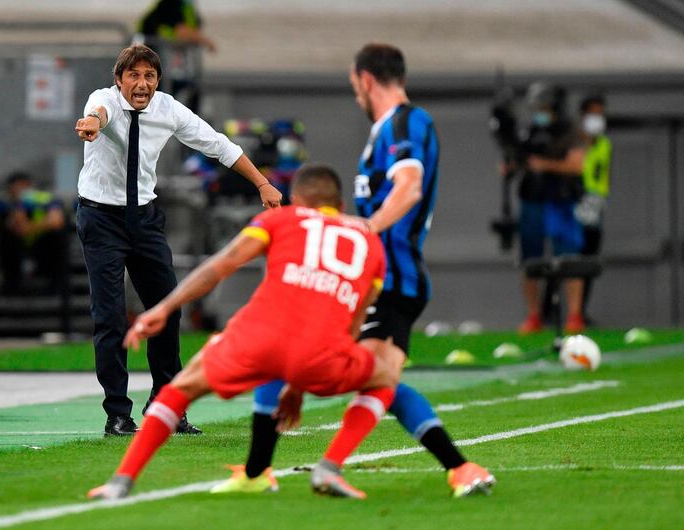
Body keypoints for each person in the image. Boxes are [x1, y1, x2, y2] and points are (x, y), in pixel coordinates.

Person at [218, 43, 494, 499]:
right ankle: (456, 467)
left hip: (390, 278)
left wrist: (367, 227)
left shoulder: (406, 123)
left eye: (354, 87)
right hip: (363, 275)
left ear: (366, 81)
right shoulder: (388, 129)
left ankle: (284, 469)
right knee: (350, 368)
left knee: (369, 374)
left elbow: (409, 187)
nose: (356, 97)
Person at [88, 164, 403, 500]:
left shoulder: (280, 219)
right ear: (340, 206)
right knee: (385, 378)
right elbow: (352, 325)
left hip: (257, 336)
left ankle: (121, 480)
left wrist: (163, 308)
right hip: (321, 351)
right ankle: (330, 466)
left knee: (179, 391)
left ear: (296, 200)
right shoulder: (370, 241)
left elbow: (221, 265)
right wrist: (299, 383)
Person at [74, 44, 281, 437]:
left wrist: (262, 183)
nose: (142, 83)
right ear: (119, 81)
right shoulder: (104, 101)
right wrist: (92, 124)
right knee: (110, 317)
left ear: (158, 82)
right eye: (133, 75)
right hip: (100, 217)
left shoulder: (168, 109)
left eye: (149, 76)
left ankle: (167, 405)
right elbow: (96, 115)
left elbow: (219, 145)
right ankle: (117, 414)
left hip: (145, 218)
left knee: (168, 309)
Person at [515, 82, 587, 334]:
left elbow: (578, 165)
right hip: (533, 200)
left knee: (569, 256)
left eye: (544, 107)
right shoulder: (530, 131)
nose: (539, 111)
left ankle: (575, 315)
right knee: (530, 259)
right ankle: (534, 316)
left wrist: (545, 165)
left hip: (561, 200)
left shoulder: (570, 132)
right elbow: (518, 160)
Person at [137, 0, 215, 113]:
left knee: (188, 90)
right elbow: (182, 31)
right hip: (152, 60)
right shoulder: (171, 4)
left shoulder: (187, 5)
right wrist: (205, 41)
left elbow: (192, 27)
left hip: (171, 62)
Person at [0, 172, 67, 295]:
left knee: (57, 238)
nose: (16, 191)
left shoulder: (45, 199)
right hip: (21, 251)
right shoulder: (9, 205)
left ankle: (56, 290)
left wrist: (32, 227)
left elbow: (57, 221)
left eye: (20, 187)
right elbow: (19, 228)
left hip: (42, 249)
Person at [575, 94, 611, 324]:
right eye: (593, 113)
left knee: (589, 260)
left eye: (600, 114)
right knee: (569, 259)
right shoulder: (574, 142)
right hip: (575, 204)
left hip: (595, 206)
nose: (597, 118)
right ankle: (554, 312)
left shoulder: (605, 143)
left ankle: (580, 311)